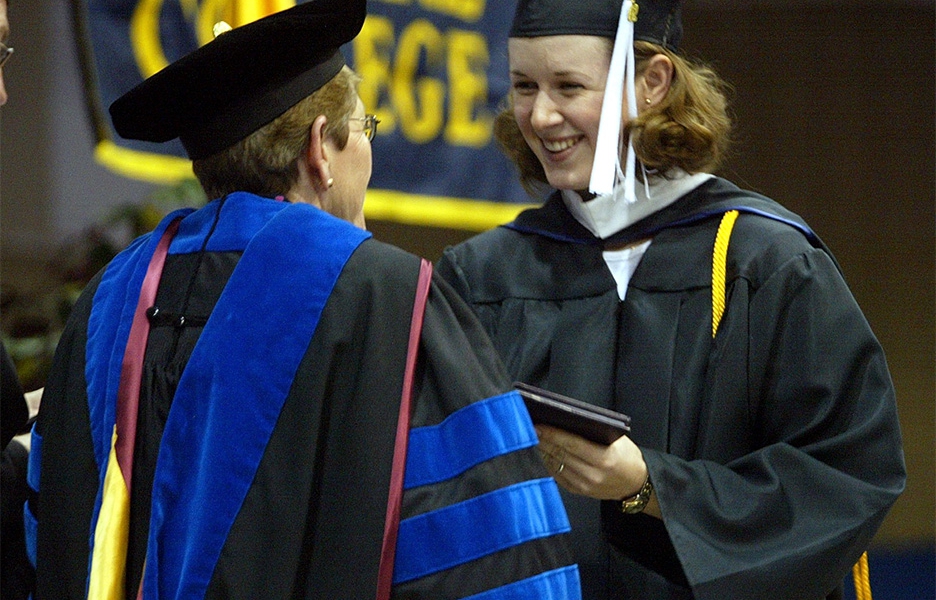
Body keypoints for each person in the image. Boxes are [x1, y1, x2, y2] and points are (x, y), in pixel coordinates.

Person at [25, 1, 581, 598]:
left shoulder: (109, 299)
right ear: (321, 148)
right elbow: (488, 559)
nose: (368, 151)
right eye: (365, 130)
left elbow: (45, 536)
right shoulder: (381, 294)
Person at [437, 0, 906, 598]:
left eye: (569, 86)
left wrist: (649, 486)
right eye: (524, 86)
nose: (541, 115)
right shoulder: (482, 277)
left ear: (652, 82)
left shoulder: (761, 262)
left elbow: (846, 475)